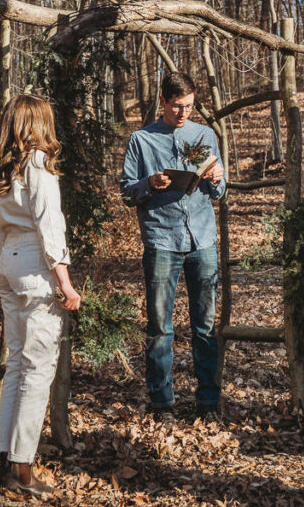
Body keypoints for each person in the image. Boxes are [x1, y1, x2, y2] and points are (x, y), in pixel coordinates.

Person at [0, 94, 81, 496]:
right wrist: (65, 282)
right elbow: (49, 225)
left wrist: (11, 264)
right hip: (35, 267)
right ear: (38, 124)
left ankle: (6, 456)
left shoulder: (4, 169)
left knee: (19, 368)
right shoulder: (37, 162)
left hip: (8, 263)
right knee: (37, 371)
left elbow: (0, 229)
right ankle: (22, 470)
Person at [120, 72, 225, 420]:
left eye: (190, 106)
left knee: (205, 325)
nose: (184, 113)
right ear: (162, 101)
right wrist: (149, 183)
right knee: (160, 326)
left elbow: (219, 192)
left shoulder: (205, 134)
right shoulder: (141, 140)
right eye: (177, 106)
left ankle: (208, 401)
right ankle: (162, 402)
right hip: (162, 239)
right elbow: (126, 191)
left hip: (202, 239)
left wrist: (217, 179)